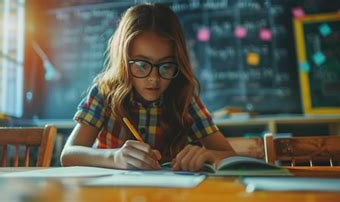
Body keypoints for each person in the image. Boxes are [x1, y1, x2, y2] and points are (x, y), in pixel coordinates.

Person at [60, 3, 236, 171]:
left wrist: (209, 156)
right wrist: (114, 158)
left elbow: (230, 155)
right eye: (142, 65)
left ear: (178, 62)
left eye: (166, 66)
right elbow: (68, 155)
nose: (154, 79)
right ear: (124, 62)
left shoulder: (185, 99)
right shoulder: (104, 93)